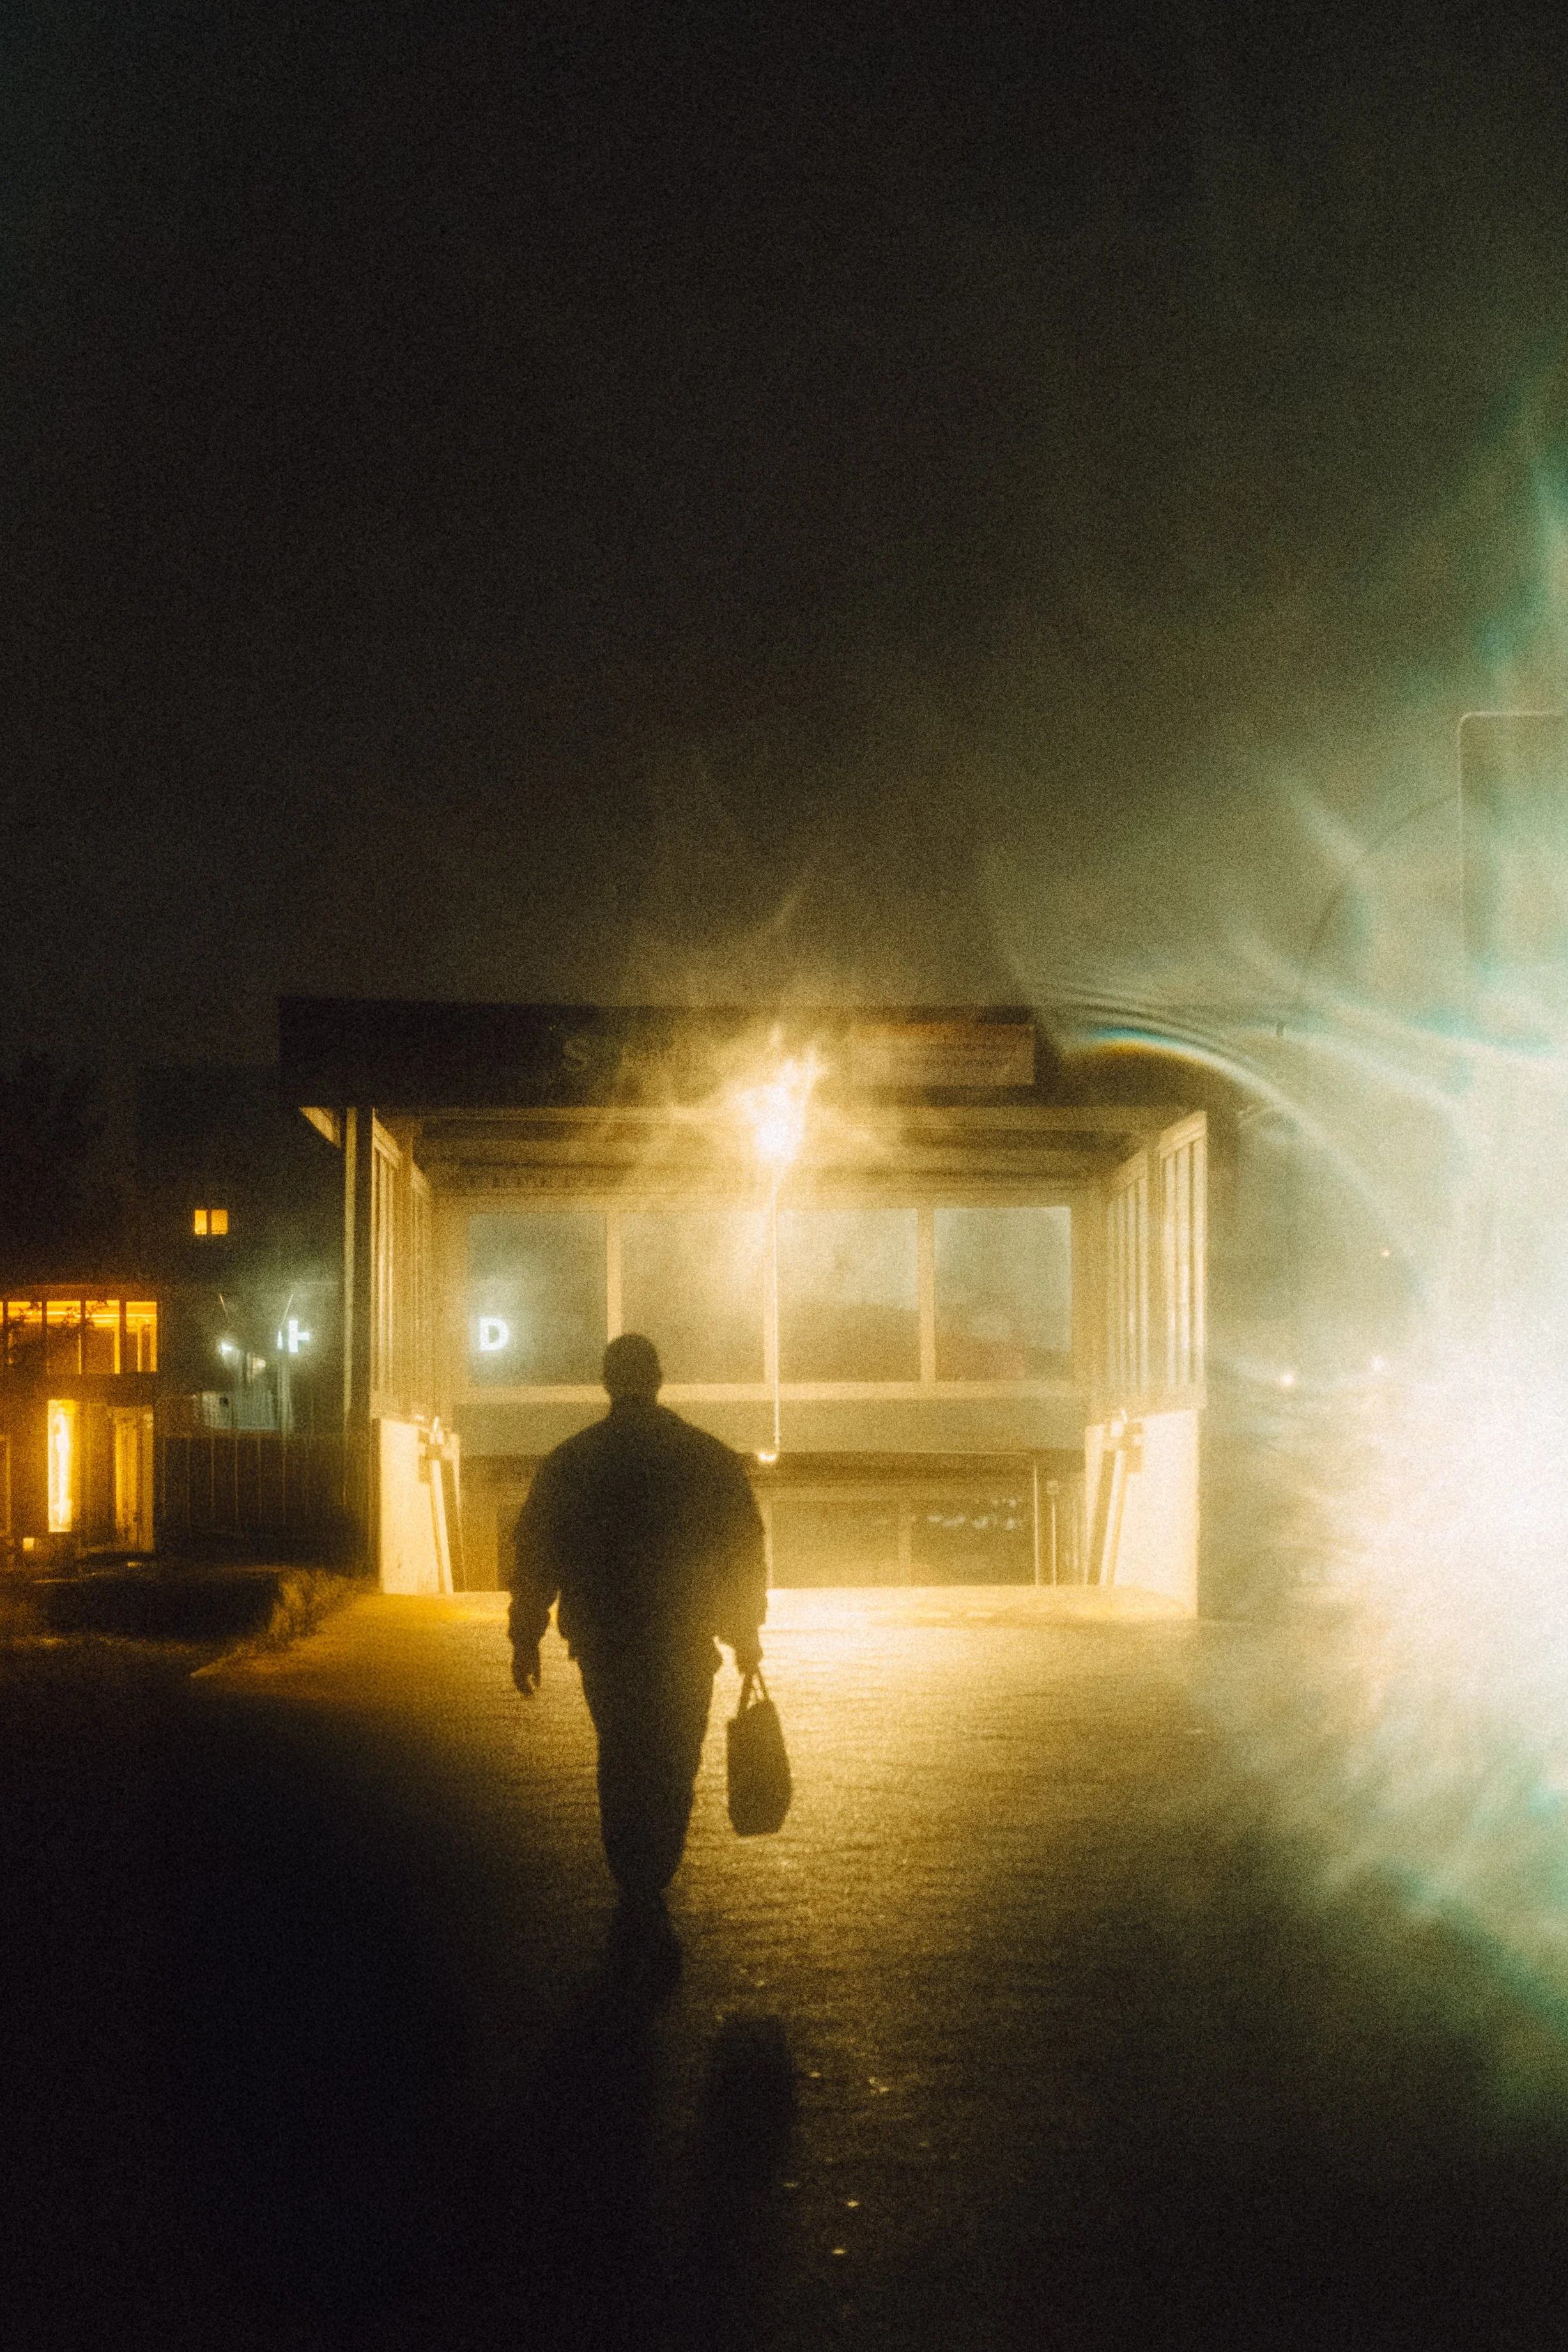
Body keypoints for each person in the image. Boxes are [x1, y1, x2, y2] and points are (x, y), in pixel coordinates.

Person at [509, 1331, 767, 1984]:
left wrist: (526, 1635)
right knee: (673, 1762)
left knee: (621, 1754)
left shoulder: (573, 1462)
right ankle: (653, 1875)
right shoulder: (707, 1459)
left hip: (607, 1643)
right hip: (684, 1640)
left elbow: (536, 1553)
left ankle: (635, 1883)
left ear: (606, 1382)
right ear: (659, 1379)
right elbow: (742, 1552)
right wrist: (745, 1635)